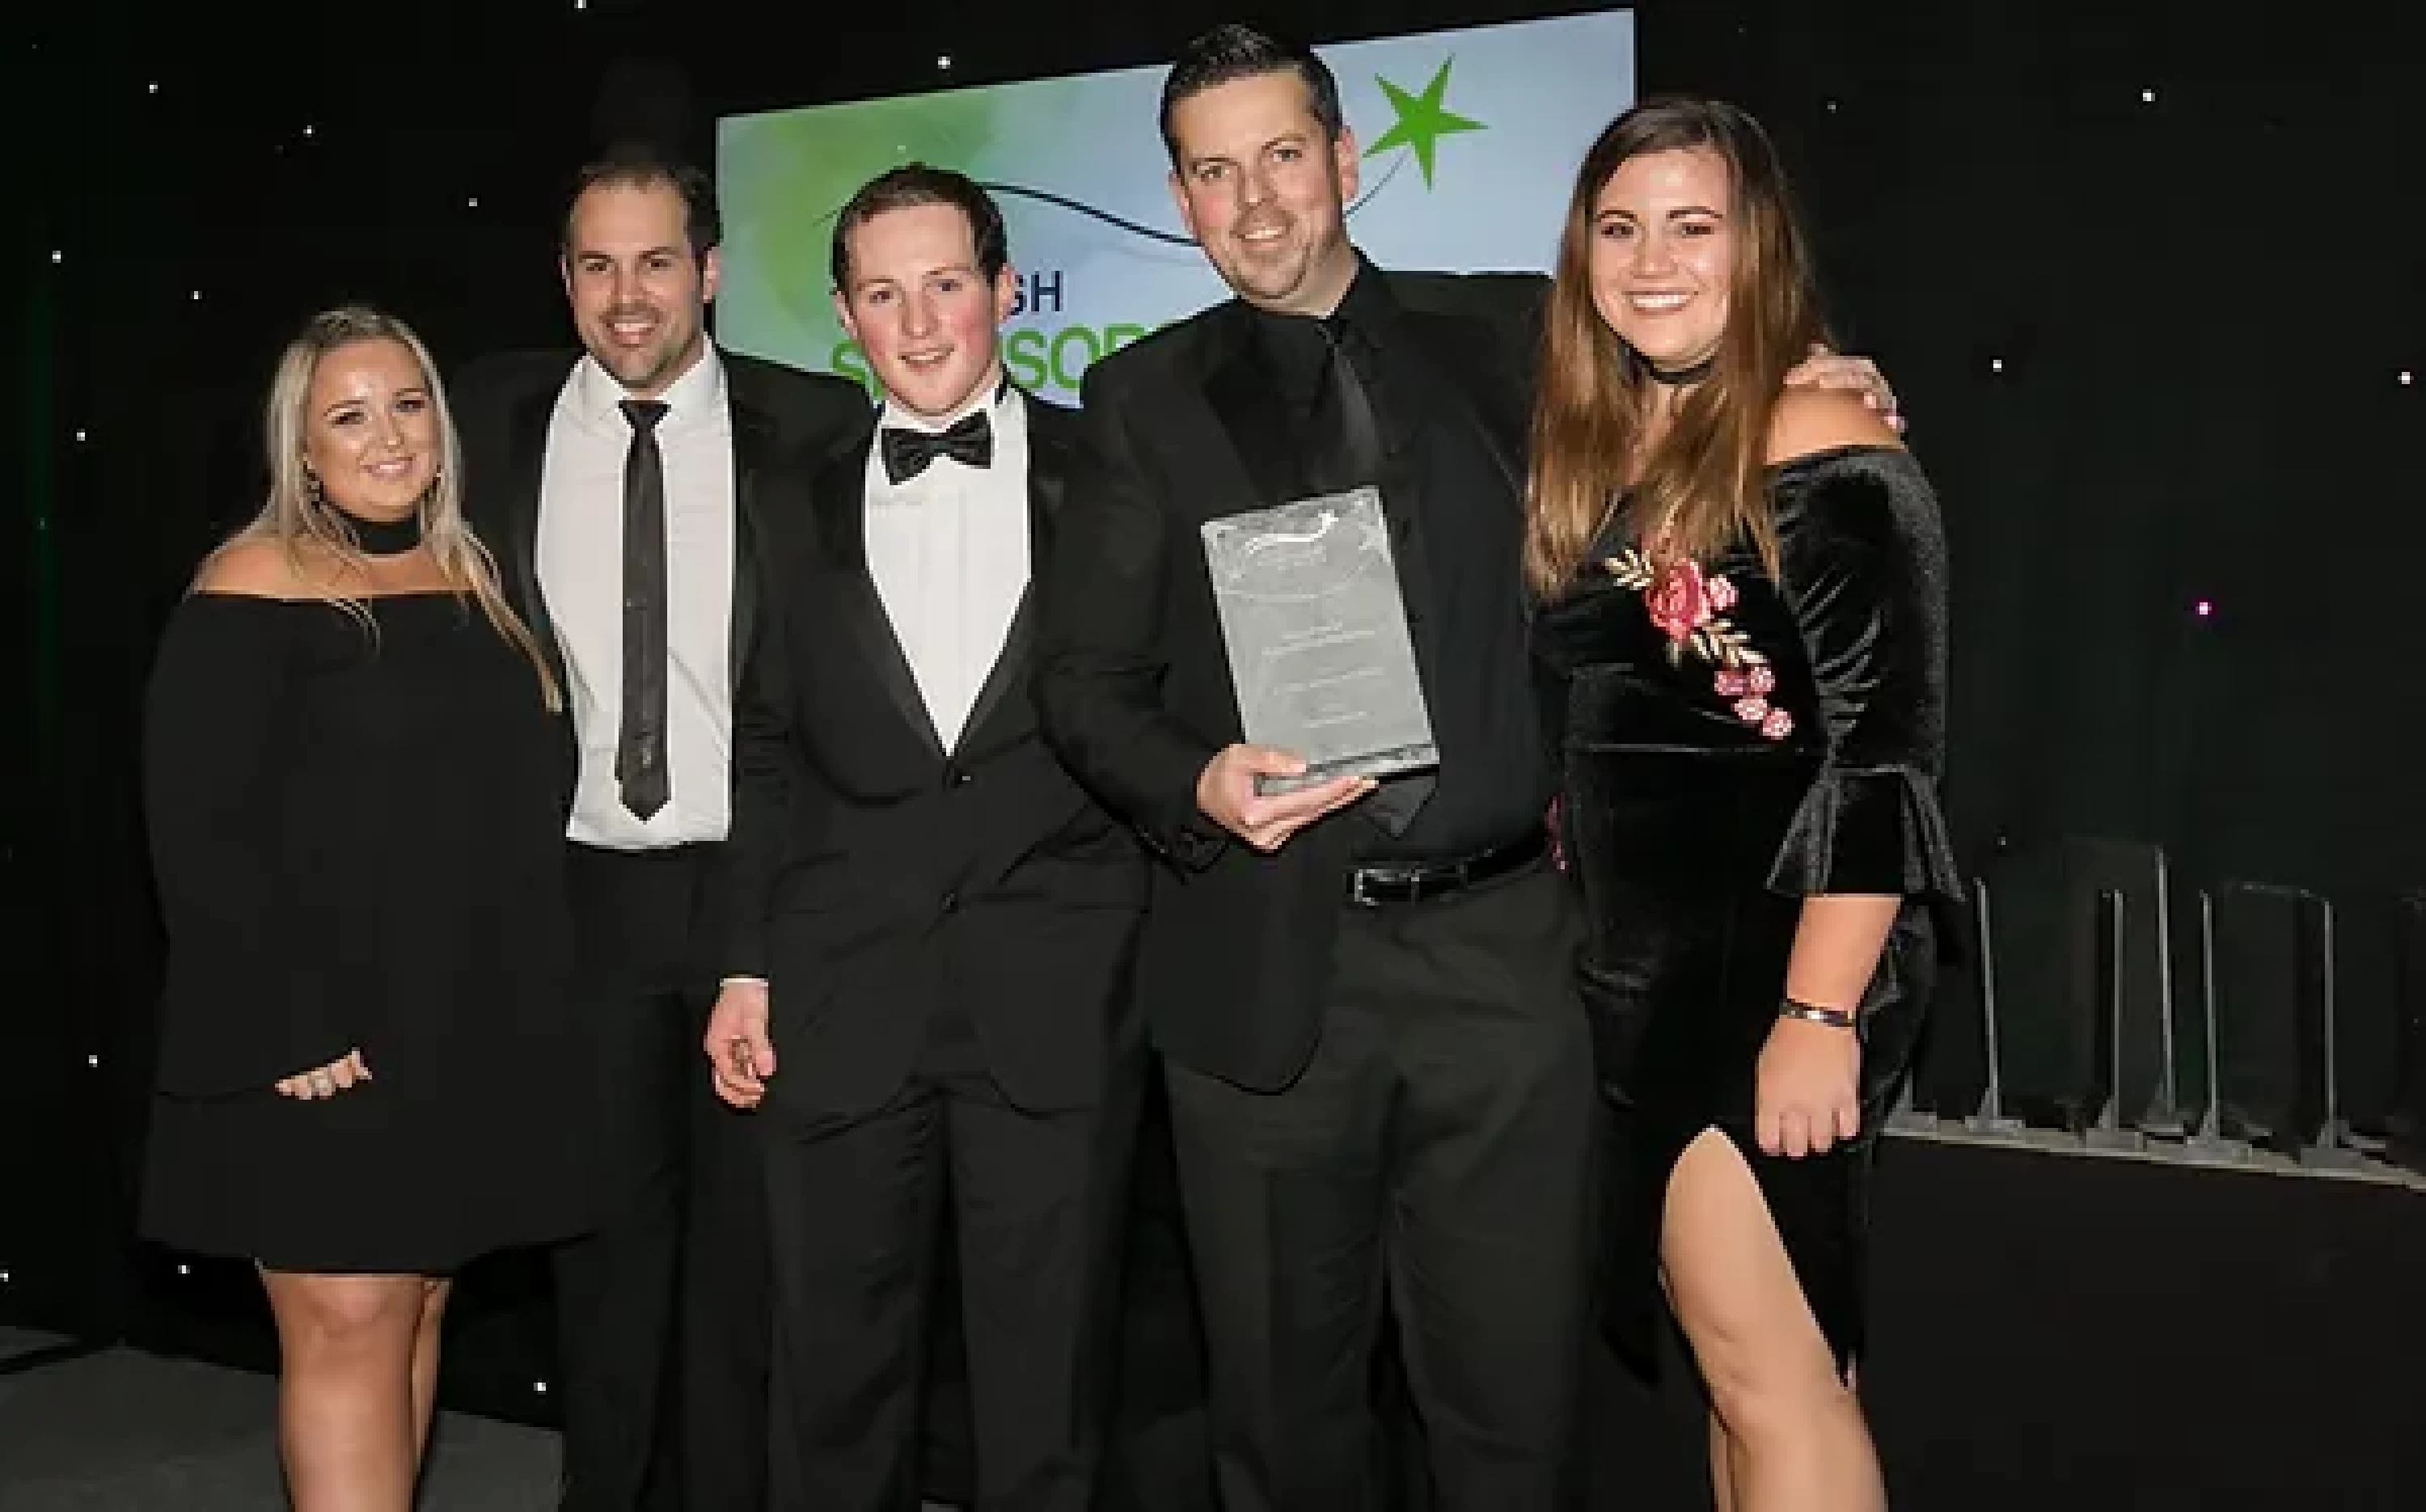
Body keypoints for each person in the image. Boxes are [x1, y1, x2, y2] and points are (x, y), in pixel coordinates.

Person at [1033, 25, 1900, 1512]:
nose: (1254, 200)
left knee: (1512, 1425)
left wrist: (1811, 383)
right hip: (1268, 972)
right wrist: (1199, 783)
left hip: (1512, 969)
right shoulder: (1140, 399)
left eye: (1282, 156)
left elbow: (1707, 377)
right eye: (1213, 173)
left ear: (1345, 159)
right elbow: (1084, 686)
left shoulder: (1524, 334)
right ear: (1178, 199)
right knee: (1284, 1438)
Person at [1524, 98, 1962, 1512]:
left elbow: (1884, 760)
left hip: (1768, 970)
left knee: (1779, 1386)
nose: (1653, 261)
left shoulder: (1823, 432)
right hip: (1648, 977)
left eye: (1693, 226)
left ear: (1758, 244)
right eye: (1620, 228)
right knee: (1751, 1374)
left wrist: (1817, 1015)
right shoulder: (1616, 439)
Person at [703, 163, 1149, 1512]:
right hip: (842, 989)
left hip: (1057, 991)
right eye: (883, 294)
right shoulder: (786, 496)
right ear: (844, 316)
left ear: (1005, 291)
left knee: (1047, 1406)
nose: (917, 322)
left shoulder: (1114, 471)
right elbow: (765, 740)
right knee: (831, 1399)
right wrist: (744, 959)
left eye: (945, 284)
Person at [452, 142, 871, 1512]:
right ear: (564, 277)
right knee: (603, 1268)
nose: (627, 297)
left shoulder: (817, 425)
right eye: (597, 265)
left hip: (765, 894)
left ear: (711, 270)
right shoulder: (487, 425)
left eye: (654, 263)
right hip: (580, 900)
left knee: (755, 1266)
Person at [141, 304, 590, 1511]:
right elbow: (197, 830)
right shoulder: (251, 582)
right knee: (348, 1318)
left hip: (453, 1021)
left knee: (415, 1302)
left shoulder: (475, 575)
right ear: (302, 447)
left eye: (407, 404)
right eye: (349, 415)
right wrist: (287, 1020)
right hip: (319, 1036)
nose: (387, 436)